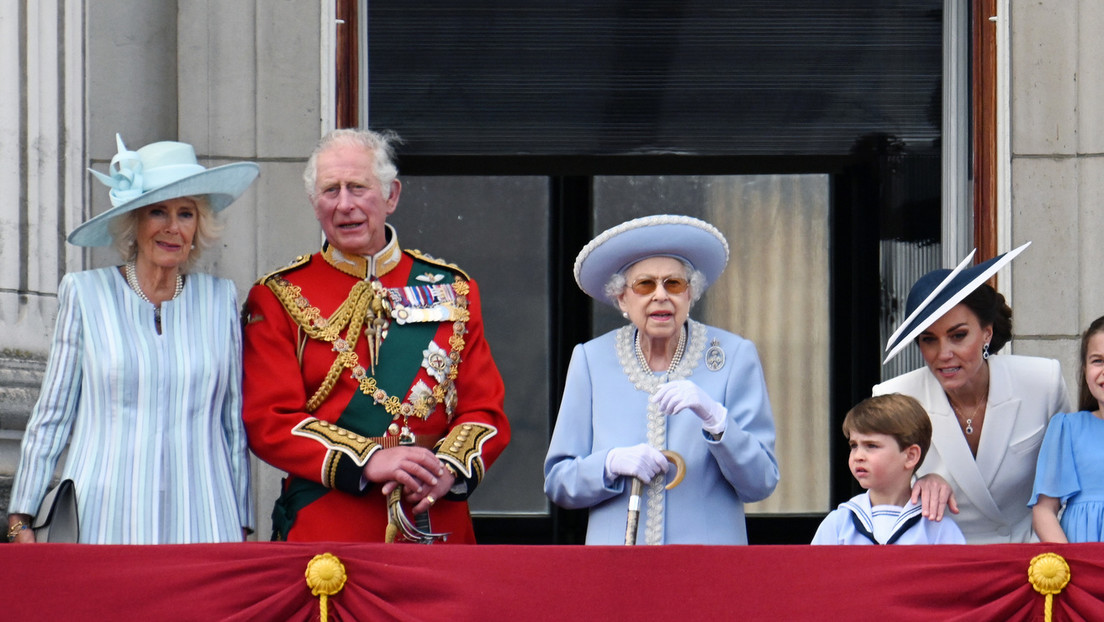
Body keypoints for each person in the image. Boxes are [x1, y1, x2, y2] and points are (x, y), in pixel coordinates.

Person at [241, 128, 510, 543]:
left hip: (432, 515)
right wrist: (368, 461)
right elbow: (269, 421)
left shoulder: (453, 289)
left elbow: (484, 411)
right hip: (328, 523)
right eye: (330, 190)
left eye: (358, 187)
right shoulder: (278, 296)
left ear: (391, 195)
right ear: (315, 204)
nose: (344, 204)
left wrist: (446, 471)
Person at [6, 134, 258, 544]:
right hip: (103, 518)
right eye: (158, 211)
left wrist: (241, 522)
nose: (173, 228)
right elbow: (53, 415)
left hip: (203, 518)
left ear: (199, 226)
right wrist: (23, 516)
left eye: (186, 213)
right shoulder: (86, 294)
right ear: (134, 220)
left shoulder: (219, 301)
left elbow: (232, 423)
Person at [543, 214, 779, 545]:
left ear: (690, 295)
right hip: (617, 567)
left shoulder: (734, 356)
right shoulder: (591, 360)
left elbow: (761, 482)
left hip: (708, 567)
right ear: (622, 298)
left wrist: (718, 421)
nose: (660, 296)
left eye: (674, 284)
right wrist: (609, 463)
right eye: (644, 285)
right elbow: (558, 482)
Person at [873, 242, 1070, 543]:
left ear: (986, 333)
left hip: (1029, 563)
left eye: (958, 335)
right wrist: (916, 483)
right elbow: (880, 503)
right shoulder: (894, 398)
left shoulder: (1042, 381)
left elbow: (1071, 482)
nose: (944, 354)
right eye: (929, 340)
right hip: (942, 563)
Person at [812, 394, 965, 545]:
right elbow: (816, 569)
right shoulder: (838, 524)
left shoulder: (938, 528)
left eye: (871, 446)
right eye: (854, 445)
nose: (858, 456)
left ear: (911, 456)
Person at [1030, 315, 1104, 542]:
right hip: (1080, 565)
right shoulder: (1068, 429)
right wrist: (1069, 565)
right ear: (1084, 369)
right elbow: (1044, 510)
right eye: (1097, 361)